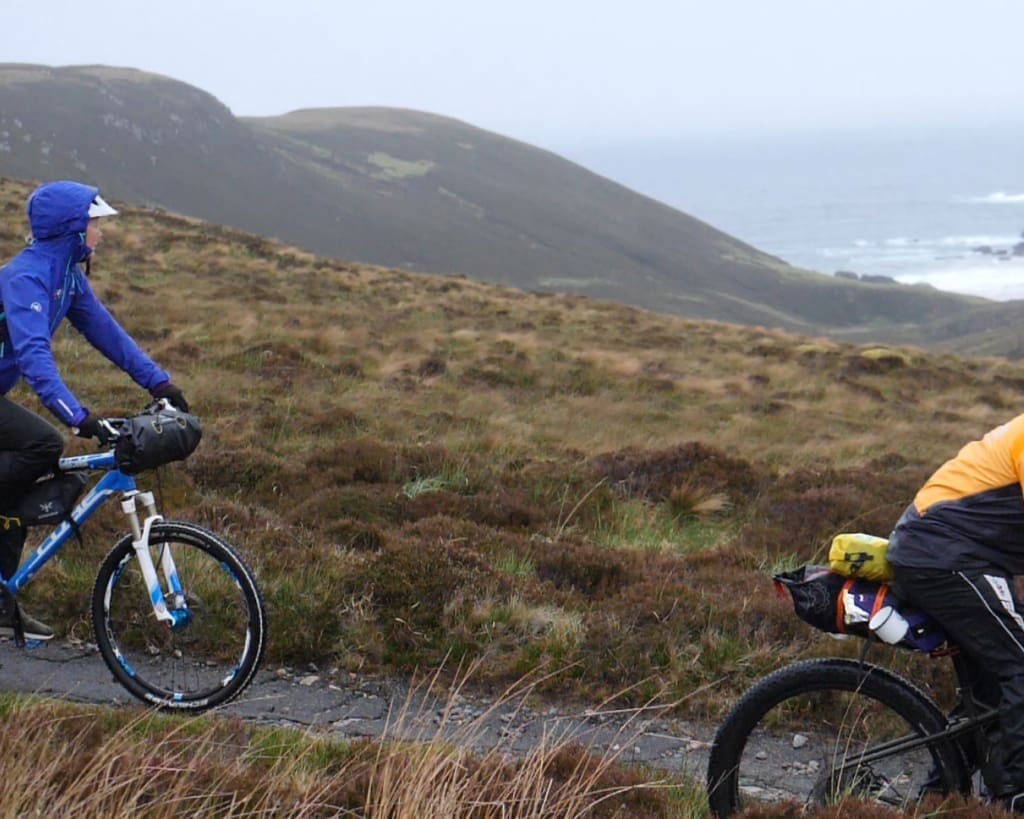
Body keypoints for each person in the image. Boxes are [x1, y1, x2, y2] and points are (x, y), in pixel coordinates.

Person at [0, 180, 188, 641]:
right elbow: (33, 355)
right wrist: (77, 416)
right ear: (71, 228)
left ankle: (1, 606)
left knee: (13, 495)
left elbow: (109, 334)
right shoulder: (25, 277)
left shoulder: (67, 275)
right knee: (45, 443)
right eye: (94, 223)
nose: (100, 232)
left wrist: (160, 382)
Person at [889, 413, 1024, 812]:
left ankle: (940, 796)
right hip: (946, 557)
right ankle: (1015, 794)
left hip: (948, 553)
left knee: (989, 688)